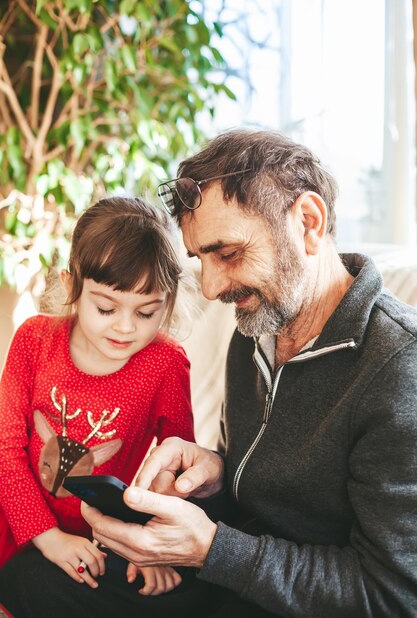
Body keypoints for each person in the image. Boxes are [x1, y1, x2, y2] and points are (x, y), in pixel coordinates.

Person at [2, 129, 417, 617]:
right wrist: (215, 473)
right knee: (28, 579)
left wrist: (211, 549)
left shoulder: (398, 368)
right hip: (225, 576)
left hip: (284, 596)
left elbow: (391, 595)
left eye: (229, 253)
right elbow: (264, 488)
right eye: (201, 260)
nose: (214, 286)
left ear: (308, 221)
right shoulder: (258, 325)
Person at [0, 196, 195, 607]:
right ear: (72, 287)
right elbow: (6, 451)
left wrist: (152, 544)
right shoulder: (34, 340)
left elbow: (177, 465)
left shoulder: (165, 363)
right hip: (14, 521)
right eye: (106, 308)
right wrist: (47, 537)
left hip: (100, 538)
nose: (125, 327)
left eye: (146, 313)